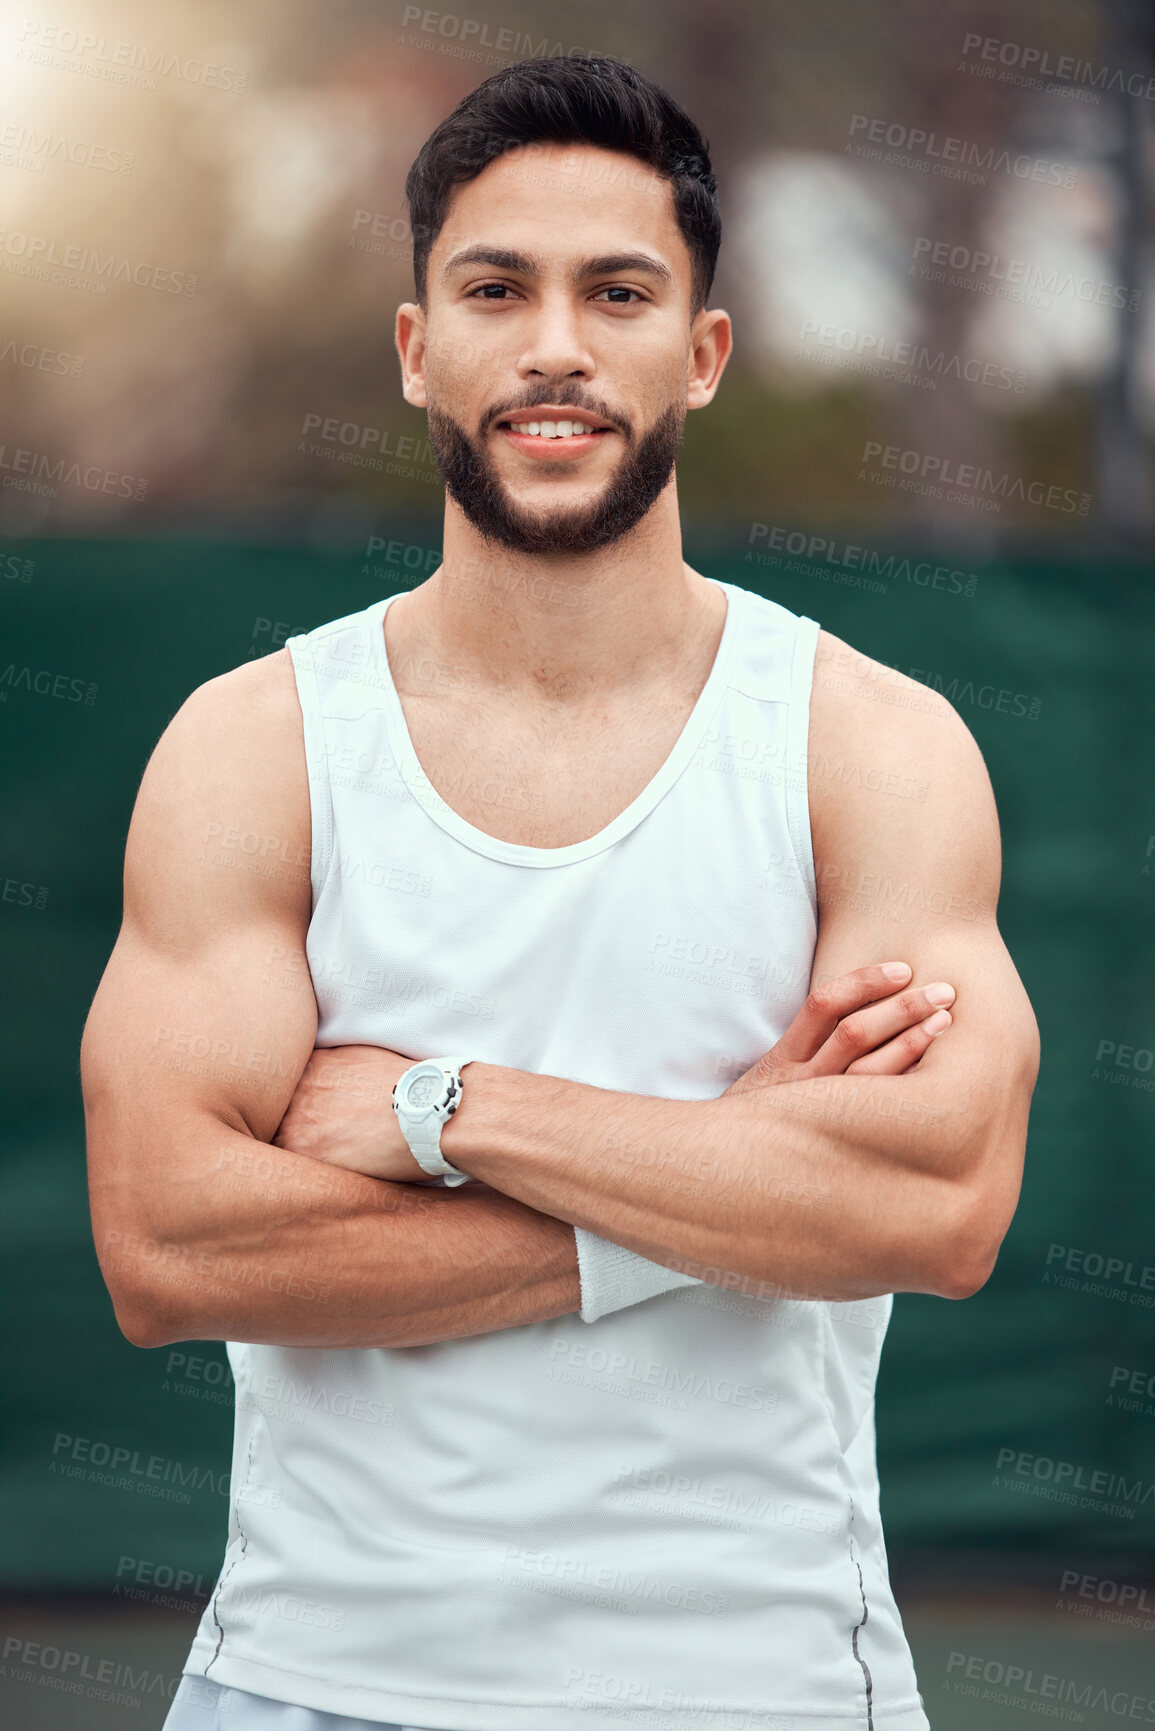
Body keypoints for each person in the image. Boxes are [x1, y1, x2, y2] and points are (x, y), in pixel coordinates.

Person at [82, 54, 1039, 1731]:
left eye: (618, 292)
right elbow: (168, 1242)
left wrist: (453, 1110)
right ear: (414, 348)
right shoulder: (253, 749)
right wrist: (728, 1185)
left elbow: (935, 1214)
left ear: (704, 352)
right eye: (494, 288)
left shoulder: (870, 745)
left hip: (766, 1690)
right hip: (312, 1687)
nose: (554, 346)